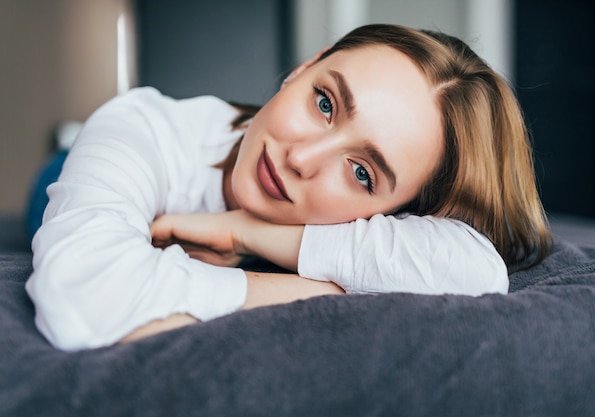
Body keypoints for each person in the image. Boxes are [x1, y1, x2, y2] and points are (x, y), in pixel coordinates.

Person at [26, 24, 551, 351]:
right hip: (73, 167)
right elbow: (80, 302)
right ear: (302, 69)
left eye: (362, 172)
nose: (299, 158)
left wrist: (246, 233)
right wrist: (314, 290)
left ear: (401, 215)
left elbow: (476, 271)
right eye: (324, 102)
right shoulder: (146, 125)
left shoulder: (386, 230)